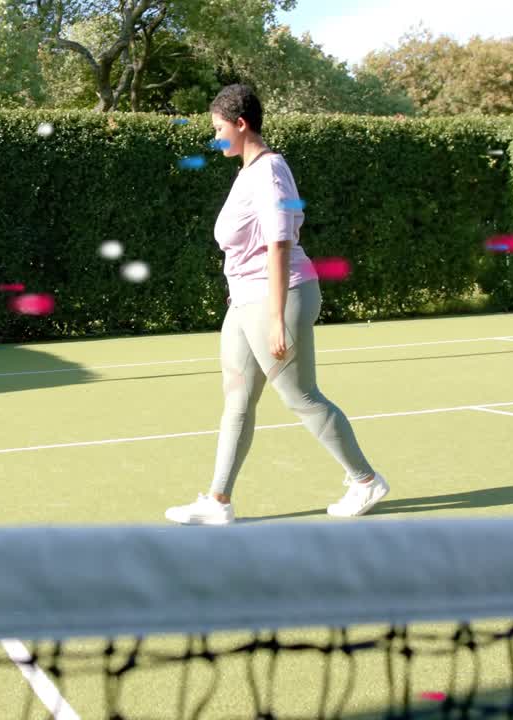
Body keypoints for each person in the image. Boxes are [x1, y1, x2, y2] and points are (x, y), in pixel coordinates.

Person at [165, 84, 388, 526]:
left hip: (277, 295)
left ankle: (365, 481)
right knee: (237, 402)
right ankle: (218, 501)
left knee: (300, 396)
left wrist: (275, 319)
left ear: (241, 124)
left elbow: (279, 239)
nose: (215, 138)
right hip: (244, 299)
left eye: (218, 129)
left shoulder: (269, 171)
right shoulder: (247, 173)